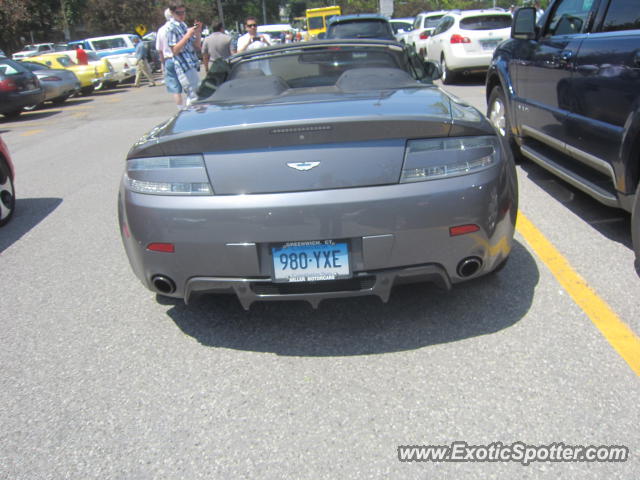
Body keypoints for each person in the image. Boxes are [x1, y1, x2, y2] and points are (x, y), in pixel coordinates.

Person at [167, 3, 202, 105]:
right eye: (179, 13)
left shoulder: (183, 25)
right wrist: (187, 35)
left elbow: (196, 45)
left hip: (191, 64)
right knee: (193, 96)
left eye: (183, 12)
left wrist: (197, 32)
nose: (182, 15)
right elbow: (174, 50)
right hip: (183, 66)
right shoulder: (171, 28)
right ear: (172, 13)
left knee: (197, 93)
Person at [157, 8, 183, 107]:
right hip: (180, 58)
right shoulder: (179, 27)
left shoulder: (161, 30)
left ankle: (180, 108)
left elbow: (159, 50)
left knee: (175, 89)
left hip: (168, 60)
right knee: (188, 85)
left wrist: (163, 64)